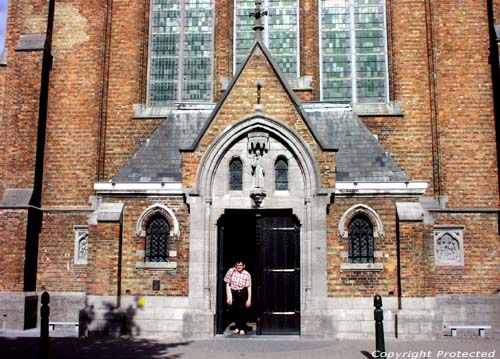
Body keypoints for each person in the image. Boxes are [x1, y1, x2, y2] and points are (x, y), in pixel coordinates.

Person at [224, 260, 252, 335]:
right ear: (235, 265)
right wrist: (228, 296)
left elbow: (249, 287)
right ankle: (237, 327)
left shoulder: (247, 274)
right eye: (237, 265)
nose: (239, 267)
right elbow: (227, 284)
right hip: (234, 292)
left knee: (242, 310)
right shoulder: (231, 271)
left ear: (244, 266)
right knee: (235, 310)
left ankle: (242, 328)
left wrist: (249, 299)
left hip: (242, 292)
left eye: (240, 265)